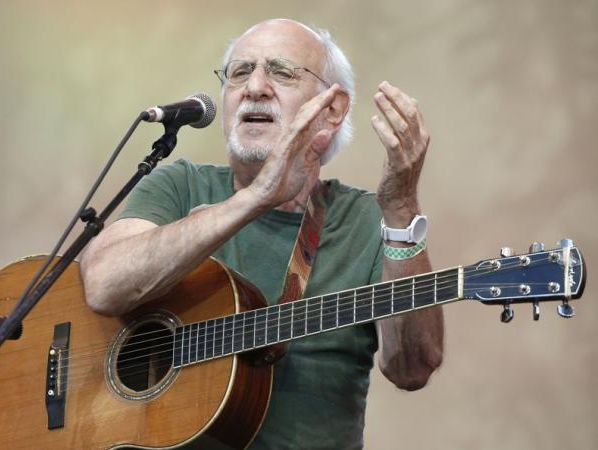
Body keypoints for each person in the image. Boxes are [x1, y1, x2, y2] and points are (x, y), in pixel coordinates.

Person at [80, 18, 444, 450]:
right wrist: (255, 198)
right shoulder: (180, 186)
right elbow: (103, 286)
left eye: (281, 72)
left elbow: (413, 368)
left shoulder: (366, 219)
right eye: (239, 72)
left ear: (332, 108)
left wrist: (402, 210)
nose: (254, 87)